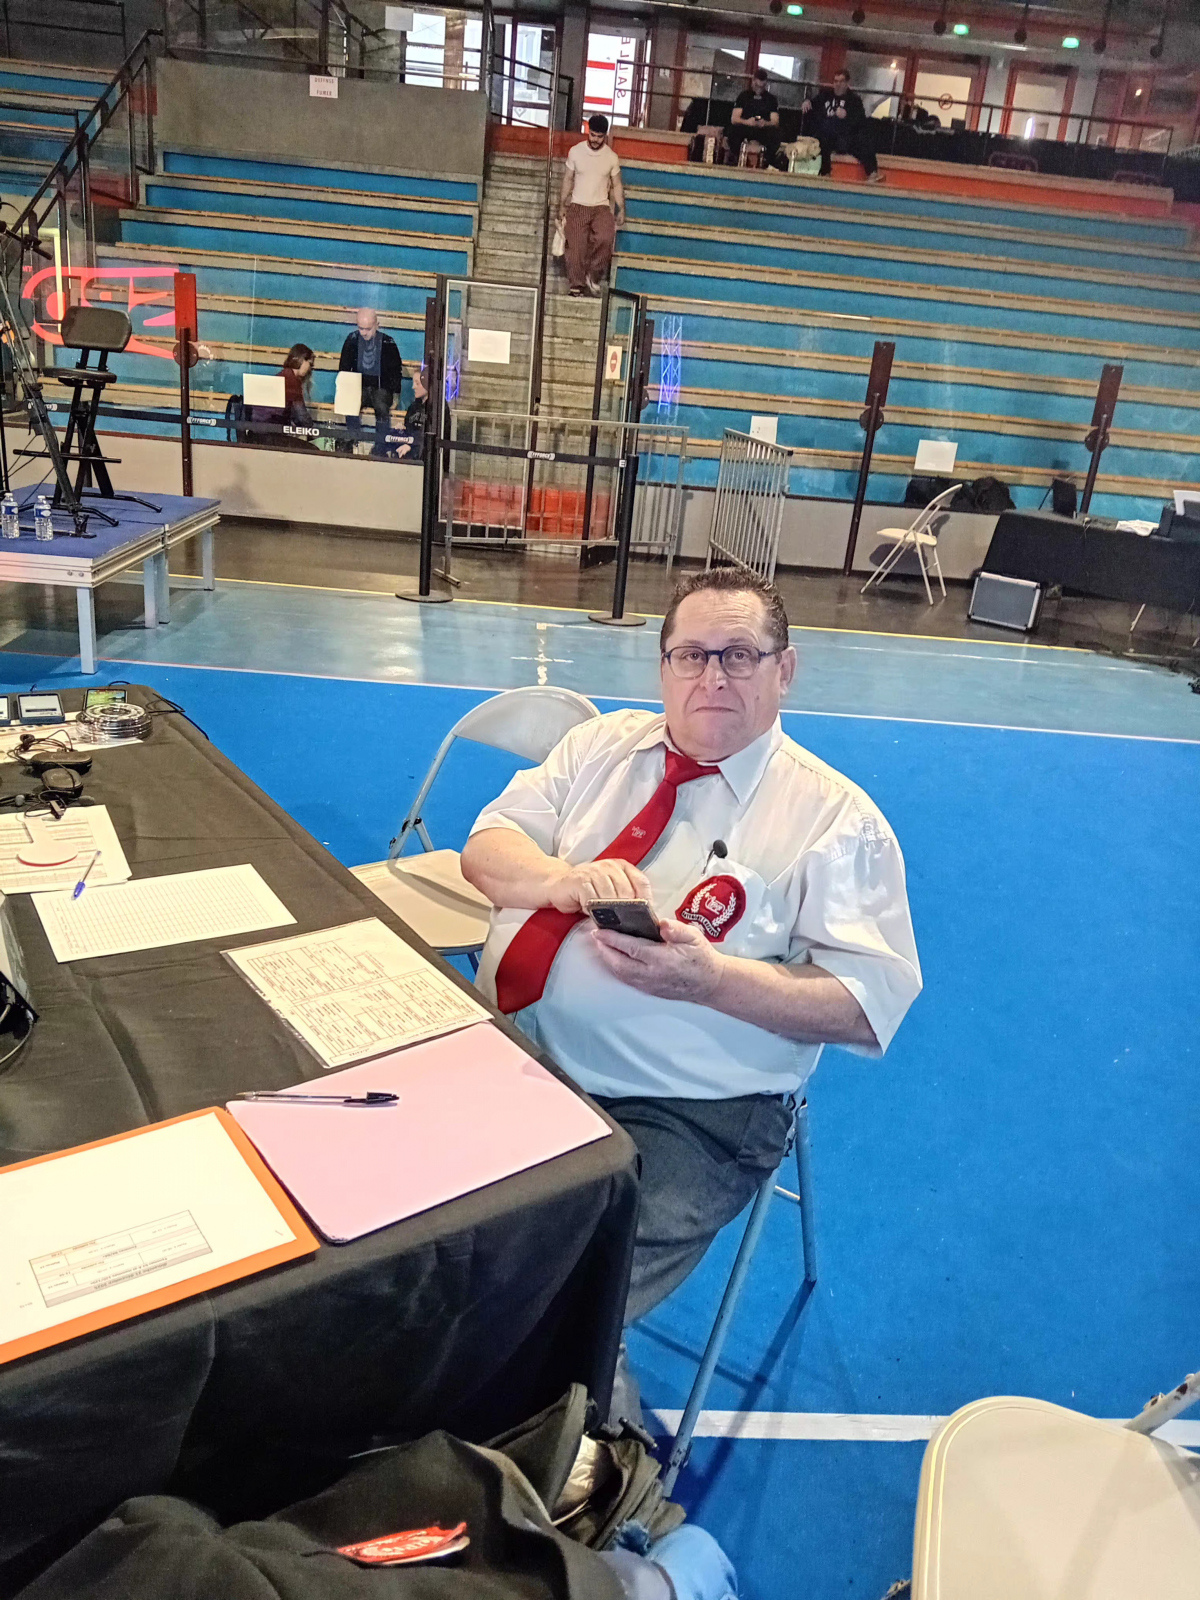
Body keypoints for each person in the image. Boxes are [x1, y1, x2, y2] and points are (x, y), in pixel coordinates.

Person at [460, 566, 922, 1422]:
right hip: (520, 1050)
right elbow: (488, 846)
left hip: (691, 1111)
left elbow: (866, 1005)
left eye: (739, 655)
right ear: (663, 666)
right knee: (408, 1233)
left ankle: (597, 1455)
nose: (712, 676)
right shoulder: (600, 747)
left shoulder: (834, 819)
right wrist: (559, 881)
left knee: (552, 1296)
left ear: (785, 670)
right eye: (691, 655)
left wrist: (711, 981)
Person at [559, 113, 625, 298]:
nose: (595, 139)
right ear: (588, 132)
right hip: (578, 204)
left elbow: (617, 184)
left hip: (601, 207)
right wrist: (561, 204)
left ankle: (593, 275)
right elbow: (568, 179)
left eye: (600, 136)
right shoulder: (575, 152)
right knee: (575, 247)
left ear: (605, 135)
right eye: (593, 135)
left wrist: (621, 208)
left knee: (606, 238)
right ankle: (576, 285)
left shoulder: (611, 157)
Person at [337, 306, 405, 456]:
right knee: (351, 404)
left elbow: (396, 370)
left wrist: (396, 394)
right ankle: (353, 440)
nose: (364, 332)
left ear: (377, 325)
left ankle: (381, 446)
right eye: (361, 328)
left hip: (381, 388)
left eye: (368, 329)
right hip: (358, 387)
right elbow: (343, 369)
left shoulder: (387, 342)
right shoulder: (352, 340)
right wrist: (344, 393)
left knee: (381, 406)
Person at [802, 69, 883, 182]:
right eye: (836, 81)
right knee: (823, 134)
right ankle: (825, 173)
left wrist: (846, 115)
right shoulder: (825, 95)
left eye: (841, 81)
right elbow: (812, 102)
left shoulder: (854, 100)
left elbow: (860, 121)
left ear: (847, 83)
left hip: (846, 137)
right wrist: (807, 101)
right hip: (827, 136)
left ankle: (872, 173)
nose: (838, 84)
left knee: (863, 140)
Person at [728, 67, 786, 171]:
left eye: (761, 87)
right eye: (757, 86)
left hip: (763, 129)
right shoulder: (744, 96)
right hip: (746, 127)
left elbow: (775, 121)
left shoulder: (771, 99)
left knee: (777, 133)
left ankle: (767, 160)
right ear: (753, 81)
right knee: (733, 131)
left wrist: (765, 123)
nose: (759, 89)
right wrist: (747, 122)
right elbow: (734, 119)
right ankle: (737, 157)